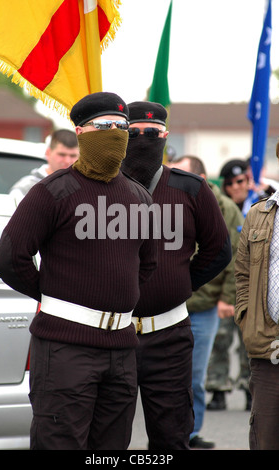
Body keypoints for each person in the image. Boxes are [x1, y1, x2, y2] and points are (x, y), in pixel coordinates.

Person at [0, 92, 158, 450]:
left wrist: (116, 300)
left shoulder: (140, 197)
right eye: (103, 126)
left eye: (121, 127)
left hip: (122, 348)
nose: (115, 133)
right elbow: (9, 257)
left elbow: (148, 263)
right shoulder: (52, 192)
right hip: (66, 348)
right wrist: (53, 295)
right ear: (80, 132)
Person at [121, 101, 232, 450]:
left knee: (171, 436)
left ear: (166, 137)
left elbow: (218, 250)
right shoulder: (102, 187)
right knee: (105, 436)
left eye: (151, 134)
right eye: (133, 132)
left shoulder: (191, 188)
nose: (142, 139)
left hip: (169, 334)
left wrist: (182, 282)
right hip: (110, 336)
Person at [171, 155, 244, 449]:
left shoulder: (223, 208)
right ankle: (168, 434)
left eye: (181, 173)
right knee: (165, 376)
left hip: (203, 307)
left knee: (195, 375)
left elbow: (235, 256)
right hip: (168, 305)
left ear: (200, 177)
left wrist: (226, 299)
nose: (173, 178)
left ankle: (190, 432)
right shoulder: (165, 201)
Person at [235, 141, 279, 450]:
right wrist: (247, 317)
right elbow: (242, 275)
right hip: (267, 348)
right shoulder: (259, 214)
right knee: (266, 437)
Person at [205, 158, 252, 411]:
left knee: (249, 342)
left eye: (241, 181)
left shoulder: (261, 205)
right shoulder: (217, 209)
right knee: (220, 340)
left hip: (252, 289)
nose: (236, 187)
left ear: (248, 181)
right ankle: (218, 388)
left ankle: (249, 390)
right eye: (230, 183)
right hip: (224, 284)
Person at [9, 129, 79, 204]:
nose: (67, 161)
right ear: (48, 153)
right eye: (62, 155)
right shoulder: (26, 188)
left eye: (73, 156)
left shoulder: (84, 186)